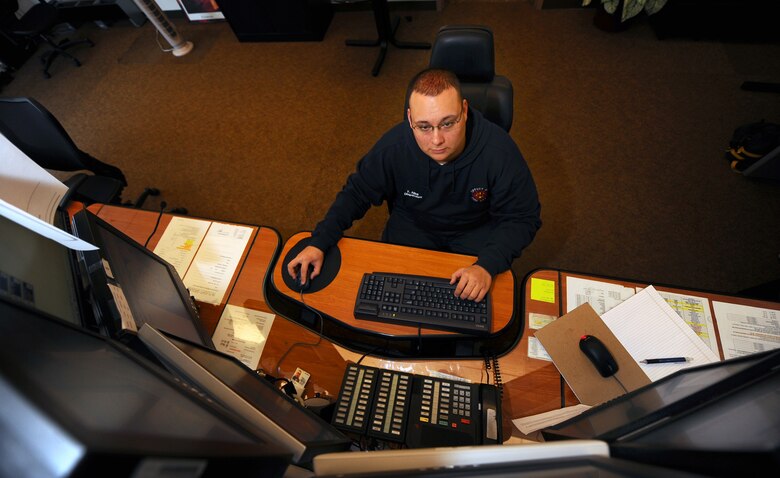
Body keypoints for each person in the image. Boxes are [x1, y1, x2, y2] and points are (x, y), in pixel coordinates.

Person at [287, 68, 541, 302]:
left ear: (464, 110)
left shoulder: (499, 151)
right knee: (388, 300)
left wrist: (487, 265)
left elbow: (522, 218)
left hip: (475, 229)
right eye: (424, 127)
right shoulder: (394, 146)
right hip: (414, 223)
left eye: (448, 123)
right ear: (410, 119)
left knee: (477, 312)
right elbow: (357, 193)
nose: (437, 139)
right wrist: (319, 242)